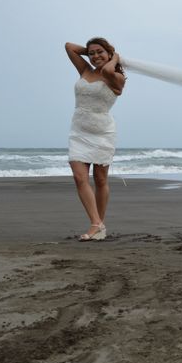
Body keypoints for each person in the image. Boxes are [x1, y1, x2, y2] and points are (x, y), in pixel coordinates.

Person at [65, 37, 126, 241]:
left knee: (100, 179)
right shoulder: (85, 70)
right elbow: (69, 47)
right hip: (79, 130)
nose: (95, 56)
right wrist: (91, 53)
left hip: (103, 132)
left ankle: (99, 225)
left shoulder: (116, 77)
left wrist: (114, 56)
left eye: (100, 52)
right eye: (92, 53)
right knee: (79, 177)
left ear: (109, 53)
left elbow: (108, 71)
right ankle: (96, 223)